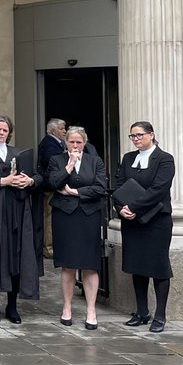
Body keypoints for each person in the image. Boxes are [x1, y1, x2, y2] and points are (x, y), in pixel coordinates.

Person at [0, 115, 42, 325]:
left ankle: (12, 305)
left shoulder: (19, 153)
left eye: (5, 130)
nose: (1, 132)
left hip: (18, 209)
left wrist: (29, 181)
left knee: (17, 255)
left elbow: (39, 176)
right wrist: (2, 181)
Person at [45, 126, 108, 329]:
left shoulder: (95, 161)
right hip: (65, 217)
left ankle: (91, 310)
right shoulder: (57, 161)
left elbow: (100, 187)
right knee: (68, 264)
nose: (75, 145)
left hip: (89, 216)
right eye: (71, 142)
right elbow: (53, 182)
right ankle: (67, 308)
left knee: (90, 264)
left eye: (78, 142)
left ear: (85, 143)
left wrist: (75, 192)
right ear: (65, 143)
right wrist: (69, 166)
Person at [115, 120, 175, 332]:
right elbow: (119, 185)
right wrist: (121, 208)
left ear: (151, 135)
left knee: (158, 267)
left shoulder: (164, 159)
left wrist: (133, 206)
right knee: (137, 266)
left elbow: (159, 189)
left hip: (157, 220)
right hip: (131, 220)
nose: (136, 139)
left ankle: (160, 315)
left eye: (139, 135)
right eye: (133, 136)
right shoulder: (128, 158)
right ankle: (142, 312)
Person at [37, 118, 68, 259]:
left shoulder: (58, 142)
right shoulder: (49, 143)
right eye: (62, 128)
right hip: (50, 186)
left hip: (56, 184)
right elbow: (52, 162)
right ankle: (48, 248)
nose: (65, 131)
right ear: (53, 130)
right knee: (49, 217)